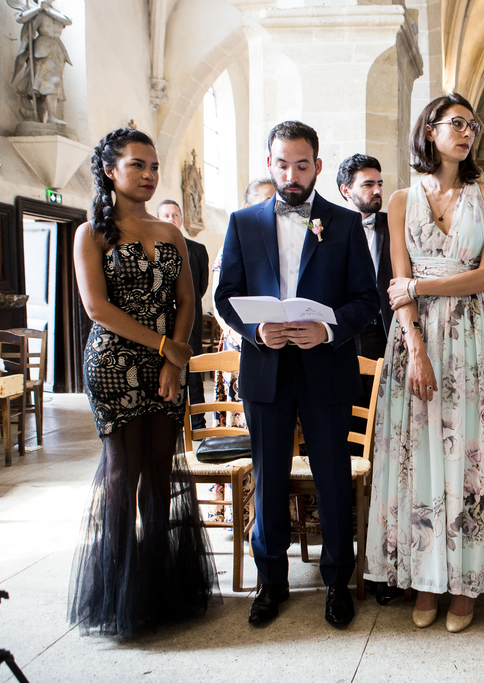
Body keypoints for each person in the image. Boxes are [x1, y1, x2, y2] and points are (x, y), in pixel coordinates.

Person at [215, 121, 379, 628]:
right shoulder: (243, 223)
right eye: (282, 163)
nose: (291, 174)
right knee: (269, 476)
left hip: (325, 366)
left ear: (318, 167)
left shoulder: (345, 225)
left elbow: (366, 302)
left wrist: (327, 332)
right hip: (266, 367)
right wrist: (256, 331)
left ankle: (336, 581)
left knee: (332, 475)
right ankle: (271, 581)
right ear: (269, 162)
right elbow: (225, 298)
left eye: (301, 165)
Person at [364, 93, 484, 633]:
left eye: (472, 125)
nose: (466, 132)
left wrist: (420, 285)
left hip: (469, 336)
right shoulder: (400, 200)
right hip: (414, 339)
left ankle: (465, 584)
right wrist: (416, 347)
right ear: (429, 131)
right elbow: (394, 291)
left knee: (466, 454)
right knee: (418, 452)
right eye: (456, 124)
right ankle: (425, 578)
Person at [68, 128, 217, 638]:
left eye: (154, 167)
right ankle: (119, 594)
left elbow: (186, 302)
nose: (150, 176)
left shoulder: (170, 233)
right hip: (113, 363)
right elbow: (97, 307)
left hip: (164, 366)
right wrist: (162, 347)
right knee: (120, 473)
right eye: (138, 165)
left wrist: (175, 360)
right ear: (110, 170)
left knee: (159, 470)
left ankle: (158, 588)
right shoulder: (90, 233)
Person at [210, 178, 275, 430]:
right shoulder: (231, 245)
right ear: (248, 206)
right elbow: (220, 300)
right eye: (266, 201)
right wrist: (245, 333)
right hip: (242, 338)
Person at [156, 199, 209, 430]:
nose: (171, 219)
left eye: (175, 215)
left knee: (193, 372)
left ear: (181, 218)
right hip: (159, 323)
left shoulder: (196, 250)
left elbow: (201, 287)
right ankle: (167, 422)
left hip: (190, 321)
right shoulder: (150, 247)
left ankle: (197, 423)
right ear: (158, 218)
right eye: (165, 215)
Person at [337, 153, 392, 360]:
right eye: (368, 185)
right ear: (346, 190)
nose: (377, 190)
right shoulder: (329, 228)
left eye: (379, 184)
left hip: (382, 330)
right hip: (342, 330)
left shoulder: (395, 225)